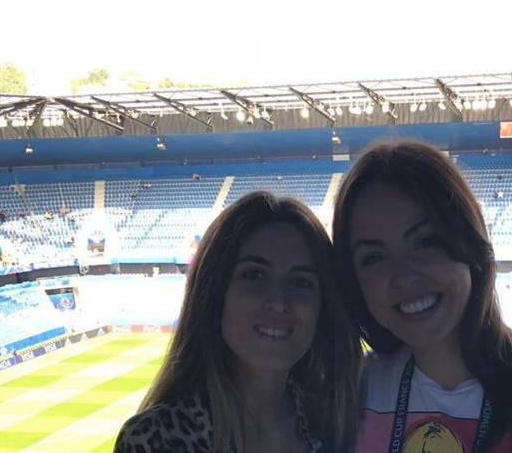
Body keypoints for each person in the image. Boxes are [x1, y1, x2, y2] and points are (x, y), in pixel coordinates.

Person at [332, 140, 512, 453]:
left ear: (468, 241)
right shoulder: (353, 392)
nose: (405, 276)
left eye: (425, 242)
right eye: (373, 258)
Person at [114, 192, 360, 453]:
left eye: (302, 282)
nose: (279, 302)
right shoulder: (156, 440)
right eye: (254, 275)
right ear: (214, 293)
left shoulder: (330, 422)